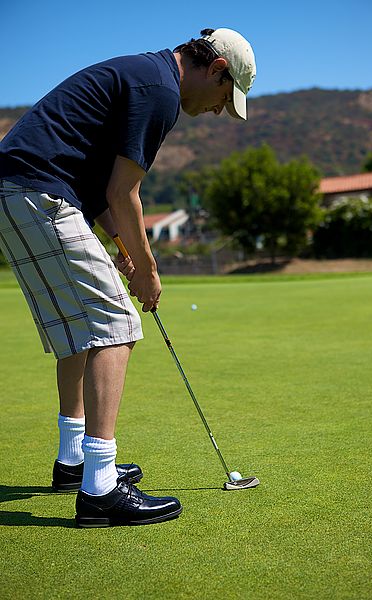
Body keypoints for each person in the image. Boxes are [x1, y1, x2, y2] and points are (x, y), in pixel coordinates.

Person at [0, 28, 256, 528]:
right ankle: (101, 490)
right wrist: (149, 271)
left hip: (17, 192)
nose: (220, 110)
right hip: (37, 193)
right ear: (218, 70)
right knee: (115, 322)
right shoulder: (159, 91)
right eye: (227, 97)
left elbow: (98, 190)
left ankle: (73, 461)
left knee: (78, 326)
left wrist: (125, 250)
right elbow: (125, 193)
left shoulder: (144, 74)